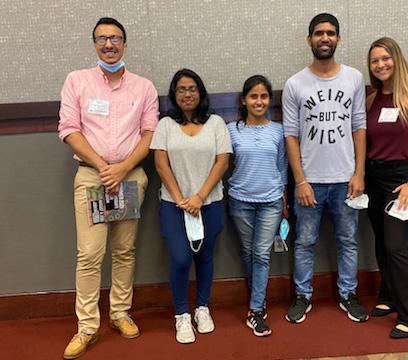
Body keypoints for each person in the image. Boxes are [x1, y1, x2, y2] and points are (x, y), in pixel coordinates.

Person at [58, 17, 159, 359]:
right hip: (92, 178)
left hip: (128, 179)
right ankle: (87, 326)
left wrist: (123, 168)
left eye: (115, 38)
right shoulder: (77, 81)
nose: (109, 45)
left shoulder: (142, 87)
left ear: (125, 44)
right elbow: (69, 129)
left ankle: (119, 313)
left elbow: (149, 133)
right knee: (89, 254)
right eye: (102, 39)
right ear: (94, 44)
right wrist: (104, 167)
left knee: (124, 250)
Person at [282, 13, 369, 324]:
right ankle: (303, 295)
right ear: (309, 40)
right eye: (319, 33)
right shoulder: (295, 84)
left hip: (346, 179)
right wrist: (300, 180)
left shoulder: (354, 79)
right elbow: (290, 135)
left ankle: (348, 293)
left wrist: (359, 173)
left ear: (338, 39)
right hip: (310, 182)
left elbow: (359, 126)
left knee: (348, 240)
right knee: (304, 242)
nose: (325, 38)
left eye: (331, 33)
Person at [150, 69, 232, 344]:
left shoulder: (217, 123)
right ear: (174, 94)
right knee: (181, 258)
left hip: (210, 203)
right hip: (174, 205)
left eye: (192, 88)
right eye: (181, 89)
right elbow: (161, 164)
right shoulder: (165, 125)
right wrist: (182, 199)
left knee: (205, 257)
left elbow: (222, 162)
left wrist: (199, 197)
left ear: (201, 92)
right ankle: (182, 314)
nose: (187, 94)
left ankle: (202, 307)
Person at [365, 37, 408, 339]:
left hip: (402, 178)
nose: (380, 65)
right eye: (374, 61)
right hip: (374, 176)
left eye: (385, 58)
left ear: (397, 58)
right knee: (382, 242)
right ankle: (390, 297)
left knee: (396, 246)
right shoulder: (371, 99)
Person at [227, 75, 288, 337]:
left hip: (271, 202)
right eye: (253, 96)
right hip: (240, 200)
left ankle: (255, 311)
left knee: (262, 254)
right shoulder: (231, 130)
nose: (259, 101)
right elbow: (222, 164)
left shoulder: (279, 131)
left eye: (264, 96)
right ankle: (259, 300)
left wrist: (285, 202)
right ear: (244, 100)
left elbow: (282, 167)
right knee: (249, 253)